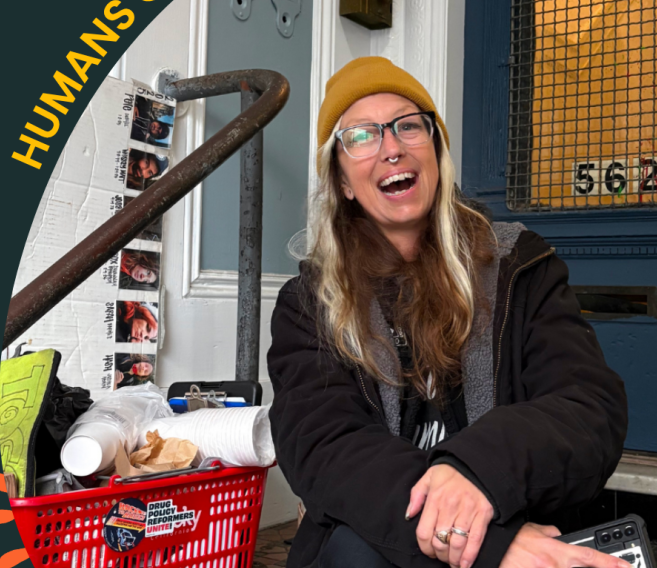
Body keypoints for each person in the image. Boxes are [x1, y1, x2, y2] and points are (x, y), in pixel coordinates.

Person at [267, 57, 629, 568]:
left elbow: (588, 407)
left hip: (513, 509)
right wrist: (489, 546)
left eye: (408, 126)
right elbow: (325, 447)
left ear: (436, 151)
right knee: (353, 551)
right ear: (343, 182)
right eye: (362, 137)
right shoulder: (310, 303)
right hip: (392, 541)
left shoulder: (521, 267)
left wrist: (476, 470)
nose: (392, 147)